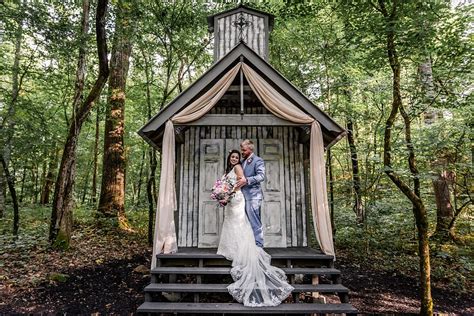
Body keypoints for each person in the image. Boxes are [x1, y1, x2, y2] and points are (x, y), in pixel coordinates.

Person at [217, 149, 293, 307]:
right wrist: (222, 193)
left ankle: (239, 250)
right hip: (231, 199)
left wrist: (228, 194)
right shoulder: (229, 169)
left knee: (238, 222)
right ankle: (231, 249)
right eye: (232, 157)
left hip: (236, 199)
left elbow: (242, 181)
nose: (234, 159)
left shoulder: (238, 167)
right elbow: (227, 183)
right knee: (231, 222)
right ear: (229, 158)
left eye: (237, 157)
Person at [236, 139, 265, 248]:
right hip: (242, 196)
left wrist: (247, 180)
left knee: (254, 221)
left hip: (253, 196)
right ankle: (249, 246)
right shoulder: (243, 162)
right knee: (245, 222)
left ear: (250, 149)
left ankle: (258, 246)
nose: (242, 152)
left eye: (243, 150)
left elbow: (261, 176)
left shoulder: (258, 160)